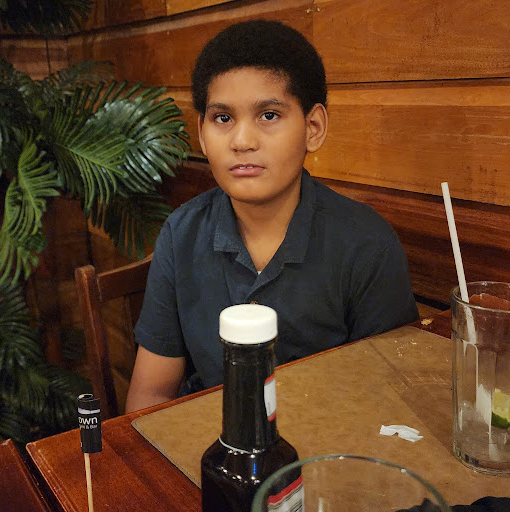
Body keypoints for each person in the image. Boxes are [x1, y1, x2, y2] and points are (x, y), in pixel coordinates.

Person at [125, 19, 418, 413]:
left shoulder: (367, 245)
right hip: (212, 442)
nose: (242, 141)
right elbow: (151, 396)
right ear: (202, 133)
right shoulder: (182, 234)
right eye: (223, 118)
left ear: (313, 127)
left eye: (268, 115)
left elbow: (391, 406)